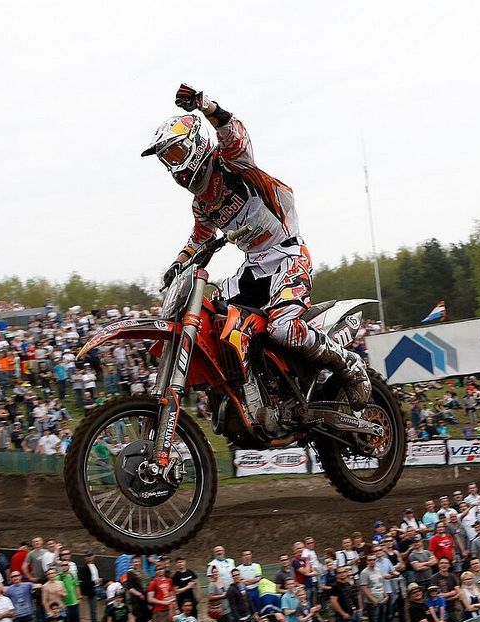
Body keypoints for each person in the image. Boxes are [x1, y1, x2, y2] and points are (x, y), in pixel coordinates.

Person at [145, 83, 370, 410]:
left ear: (196, 146)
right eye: (167, 160)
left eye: (176, 154)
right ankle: (252, 387)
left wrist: (205, 105)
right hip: (253, 268)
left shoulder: (234, 165)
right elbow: (199, 237)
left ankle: (348, 365)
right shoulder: (202, 204)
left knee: (282, 328)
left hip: (288, 257)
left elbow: (232, 133)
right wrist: (177, 264)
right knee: (215, 314)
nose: (173, 167)